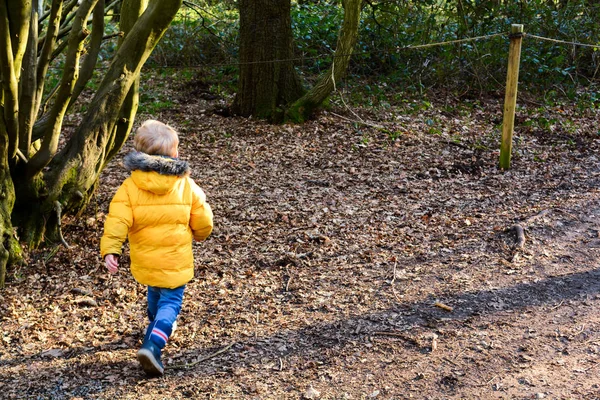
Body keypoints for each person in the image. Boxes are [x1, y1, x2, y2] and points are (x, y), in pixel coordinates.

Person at [100, 119, 213, 377]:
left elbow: (117, 220)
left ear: (140, 154)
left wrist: (111, 250)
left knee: (154, 292)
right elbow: (204, 220)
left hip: (146, 260)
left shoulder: (129, 187)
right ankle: (154, 343)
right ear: (175, 153)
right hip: (175, 260)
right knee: (170, 304)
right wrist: (200, 234)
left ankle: (155, 325)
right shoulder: (186, 185)